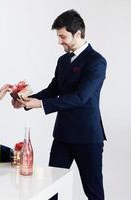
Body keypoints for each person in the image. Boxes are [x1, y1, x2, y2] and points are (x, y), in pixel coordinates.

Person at [12, 9, 106, 200]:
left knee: (94, 192)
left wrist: (40, 104)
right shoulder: (63, 61)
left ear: (78, 33)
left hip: (88, 136)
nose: (59, 41)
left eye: (62, 36)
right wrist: (26, 102)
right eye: (58, 36)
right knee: (51, 187)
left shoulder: (97, 61)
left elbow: (81, 97)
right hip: (63, 135)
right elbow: (53, 90)